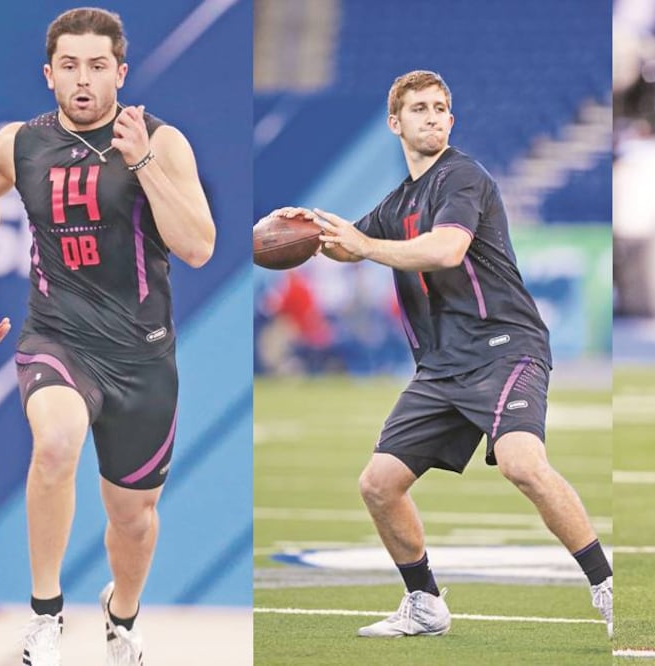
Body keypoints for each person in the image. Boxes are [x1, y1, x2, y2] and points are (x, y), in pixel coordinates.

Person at [262, 70, 613, 639]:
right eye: (419, 108)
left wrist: (365, 246)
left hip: (504, 346)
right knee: (378, 484)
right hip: (442, 366)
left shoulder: (462, 177)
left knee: (523, 462)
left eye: (440, 107)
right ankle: (424, 603)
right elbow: (351, 243)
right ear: (394, 123)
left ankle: (605, 586)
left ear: (451, 119)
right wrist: (309, 226)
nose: (432, 116)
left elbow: (446, 250)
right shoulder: (400, 199)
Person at [0, 8, 215, 665]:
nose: (83, 79)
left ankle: (120, 617)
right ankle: (46, 615)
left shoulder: (163, 141)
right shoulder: (18, 144)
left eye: (97, 66)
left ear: (120, 73)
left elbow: (198, 248)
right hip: (57, 338)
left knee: (132, 519)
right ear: (49, 75)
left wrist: (145, 163)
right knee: (56, 443)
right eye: (69, 66)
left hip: (142, 355)